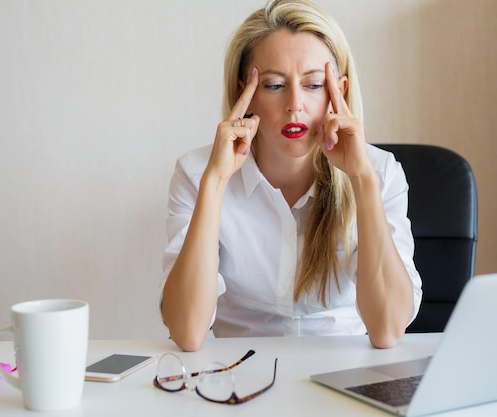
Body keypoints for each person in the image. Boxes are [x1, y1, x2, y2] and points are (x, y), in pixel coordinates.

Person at [160, 0, 422, 352]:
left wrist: (362, 180)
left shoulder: (380, 173)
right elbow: (187, 333)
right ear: (245, 94)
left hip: (343, 374)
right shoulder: (196, 175)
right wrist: (216, 182)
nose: (295, 104)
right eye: (273, 86)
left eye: (314, 85)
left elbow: (388, 330)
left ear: (337, 93)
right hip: (241, 380)